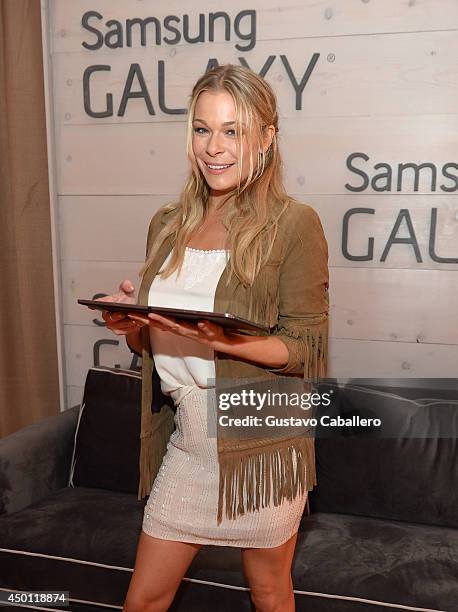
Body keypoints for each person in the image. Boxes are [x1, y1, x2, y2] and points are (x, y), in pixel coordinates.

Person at [98, 64, 329, 612]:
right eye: (203, 129)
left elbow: (301, 350)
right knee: (144, 600)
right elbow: (156, 347)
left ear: (267, 137)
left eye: (234, 130)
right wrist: (133, 326)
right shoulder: (168, 222)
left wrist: (218, 338)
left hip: (262, 441)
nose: (215, 147)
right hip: (188, 437)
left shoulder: (293, 224)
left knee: (270, 593)